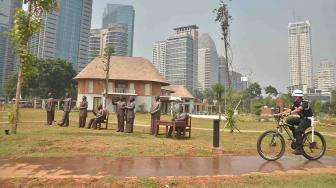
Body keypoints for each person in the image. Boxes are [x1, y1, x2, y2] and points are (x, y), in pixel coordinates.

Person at [276, 89, 313, 155]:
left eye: (294, 96)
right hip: (302, 119)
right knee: (289, 120)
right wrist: (280, 114)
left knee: (298, 131)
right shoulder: (296, 103)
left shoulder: (305, 102)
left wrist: (289, 113)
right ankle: (296, 138)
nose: (294, 98)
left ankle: (300, 149)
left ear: (298, 96)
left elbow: (299, 109)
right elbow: (289, 110)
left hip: (308, 120)